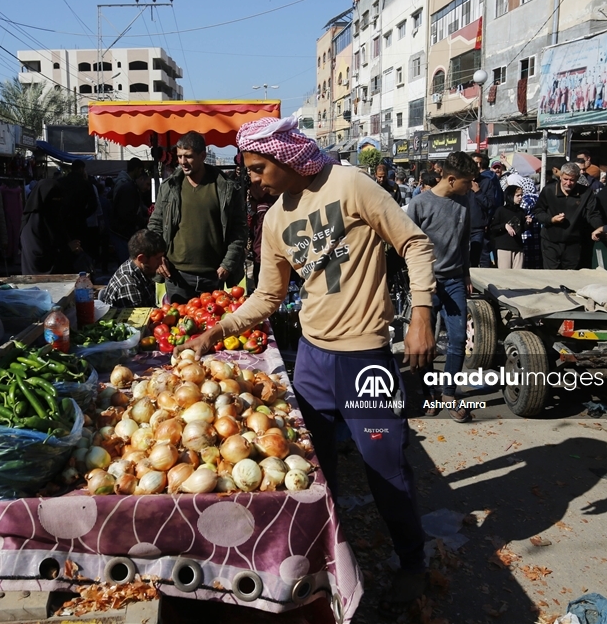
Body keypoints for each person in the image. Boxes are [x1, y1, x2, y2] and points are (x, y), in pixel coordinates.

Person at [180, 115, 437, 606]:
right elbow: (268, 295)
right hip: (312, 363)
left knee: (386, 467)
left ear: (285, 158)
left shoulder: (351, 184)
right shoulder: (275, 219)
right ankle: (329, 557)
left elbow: (414, 243)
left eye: (257, 169)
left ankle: (411, 561)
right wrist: (218, 329)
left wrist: (421, 312)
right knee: (313, 471)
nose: (252, 179)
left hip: (364, 359)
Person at [407, 152, 475, 422]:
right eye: (467, 182)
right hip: (427, 284)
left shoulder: (464, 203)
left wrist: (467, 276)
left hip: (455, 281)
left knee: (458, 339)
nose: (471, 187)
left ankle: (448, 392)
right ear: (451, 179)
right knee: (427, 344)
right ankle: (427, 394)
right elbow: (408, 246)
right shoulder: (420, 204)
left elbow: (465, 243)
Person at [148, 131, 247, 303]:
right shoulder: (170, 187)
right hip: (176, 276)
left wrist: (228, 264)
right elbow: (155, 225)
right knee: (177, 327)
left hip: (213, 275)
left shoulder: (226, 188)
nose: (183, 162)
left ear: (203, 155)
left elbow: (239, 231)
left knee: (210, 326)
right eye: (179, 157)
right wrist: (157, 256)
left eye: (188, 156)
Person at [534, 162, 604, 269]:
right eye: (565, 179)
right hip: (550, 241)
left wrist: (599, 228)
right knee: (550, 275)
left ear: (577, 179)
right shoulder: (549, 190)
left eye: (572, 180)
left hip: (573, 243)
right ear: (560, 176)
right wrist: (551, 219)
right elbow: (538, 211)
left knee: (570, 276)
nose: (568, 183)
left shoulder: (586, 193)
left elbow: (593, 214)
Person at [21, 177, 81, 275]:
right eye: (54, 198)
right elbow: (38, 258)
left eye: (60, 198)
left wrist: (73, 250)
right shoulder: (33, 224)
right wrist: (67, 249)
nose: (58, 202)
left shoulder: (55, 219)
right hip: (39, 282)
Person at [99, 229, 165, 308]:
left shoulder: (141, 270)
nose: (161, 263)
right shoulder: (129, 285)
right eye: (158, 258)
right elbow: (139, 318)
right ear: (141, 258)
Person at [110, 158, 149, 261]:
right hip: (122, 233)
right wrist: (142, 220)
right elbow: (126, 213)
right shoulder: (127, 186)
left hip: (122, 232)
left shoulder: (130, 186)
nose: (148, 188)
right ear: (137, 170)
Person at [489, 185, 529, 269]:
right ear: (510, 196)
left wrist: (528, 223)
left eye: (521, 195)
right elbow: (493, 228)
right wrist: (504, 226)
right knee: (505, 274)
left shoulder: (521, 212)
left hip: (518, 246)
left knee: (518, 274)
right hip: (504, 247)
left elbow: (521, 229)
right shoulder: (501, 210)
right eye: (517, 195)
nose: (520, 198)